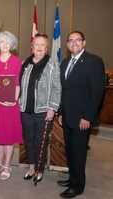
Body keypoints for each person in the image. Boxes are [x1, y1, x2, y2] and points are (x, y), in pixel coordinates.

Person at [57, 31, 105, 198]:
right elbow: (64, 91)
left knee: (78, 152)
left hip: (82, 118)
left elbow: (97, 93)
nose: (74, 43)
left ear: (84, 43)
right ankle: (72, 178)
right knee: (70, 151)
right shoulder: (64, 63)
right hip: (67, 116)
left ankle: (77, 186)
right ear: (68, 45)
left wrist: (88, 117)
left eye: (78, 40)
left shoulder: (94, 62)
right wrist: (61, 113)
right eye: (71, 41)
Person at [19, 33, 61, 183]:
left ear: (47, 49)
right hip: (25, 109)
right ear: (32, 48)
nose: (39, 47)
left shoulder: (52, 65)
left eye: (42, 45)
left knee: (40, 141)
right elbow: (18, 85)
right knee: (28, 140)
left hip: (44, 111)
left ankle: (39, 169)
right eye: (37, 44)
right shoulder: (25, 64)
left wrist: (53, 108)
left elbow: (57, 88)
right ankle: (31, 167)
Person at [0, 31, 23, 181]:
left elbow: (18, 85)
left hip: (10, 105)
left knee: (7, 137)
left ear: (12, 45)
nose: (5, 45)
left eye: (8, 42)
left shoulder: (16, 61)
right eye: (2, 42)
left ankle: (7, 166)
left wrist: (14, 100)